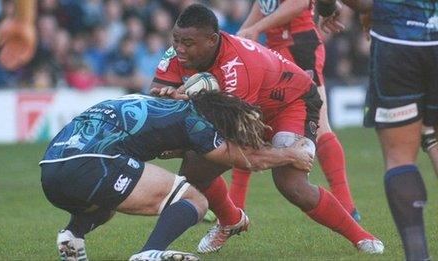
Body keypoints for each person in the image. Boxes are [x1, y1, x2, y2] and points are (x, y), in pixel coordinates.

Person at [151, 3, 383, 254]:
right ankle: (231, 221)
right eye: (176, 39)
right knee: (194, 170)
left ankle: (362, 237)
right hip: (250, 107)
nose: (179, 48)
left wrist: (186, 122)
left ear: (211, 40)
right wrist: (168, 97)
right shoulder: (175, 54)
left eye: (187, 42)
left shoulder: (236, 67)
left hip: (292, 104)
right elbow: (158, 96)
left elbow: (240, 135)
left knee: (290, 183)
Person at [39, 91, 314, 261]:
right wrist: (291, 154)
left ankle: (73, 235)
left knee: (108, 201)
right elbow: (245, 158)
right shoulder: (195, 119)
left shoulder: (149, 102)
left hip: (51, 168)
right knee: (194, 200)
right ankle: (149, 253)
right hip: (94, 164)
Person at [319, 0, 437, 260]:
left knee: (400, 157)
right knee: (433, 138)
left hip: (399, 40)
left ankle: (418, 256)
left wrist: (337, 8)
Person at [232, 0, 360, 220]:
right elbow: (264, 6)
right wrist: (240, 37)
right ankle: (233, 207)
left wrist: (256, 29)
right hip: (277, 50)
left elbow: (298, 3)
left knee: (319, 125)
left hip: (298, 45)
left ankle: (346, 206)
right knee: (252, 124)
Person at [0, 0, 37, 70]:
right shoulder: (27, 47)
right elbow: (25, 28)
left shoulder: (2, 35)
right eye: (12, 56)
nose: (9, 53)